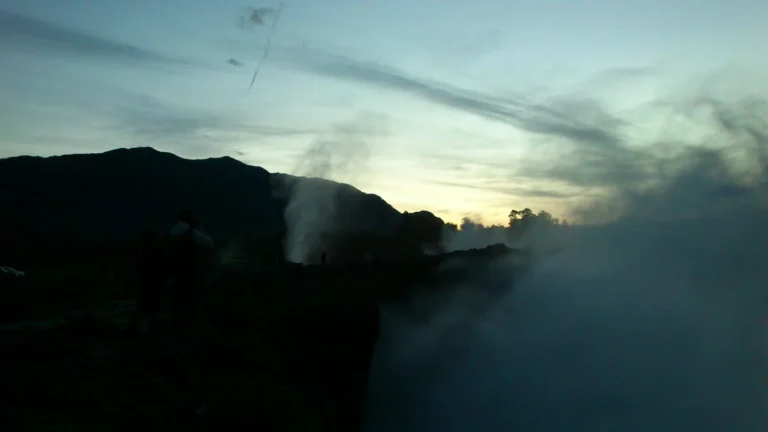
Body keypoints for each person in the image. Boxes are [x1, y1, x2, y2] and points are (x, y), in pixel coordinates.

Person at [167, 209, 214, 337]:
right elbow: (210, 244)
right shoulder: (192, 232)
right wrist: (200, 228)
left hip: (175, 272)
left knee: (178, 301)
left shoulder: (171, 232)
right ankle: (193, 330)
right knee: (194, 300)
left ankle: (177, 329)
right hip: (191, 271)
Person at [129, 228, 166, 334]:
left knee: (144, 308)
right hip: (151, 284)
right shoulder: (153, 252)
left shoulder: (143, 252)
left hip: (146, 284)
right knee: (151, 309)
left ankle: (136, 329)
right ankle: (150, 330)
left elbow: (139, 269)